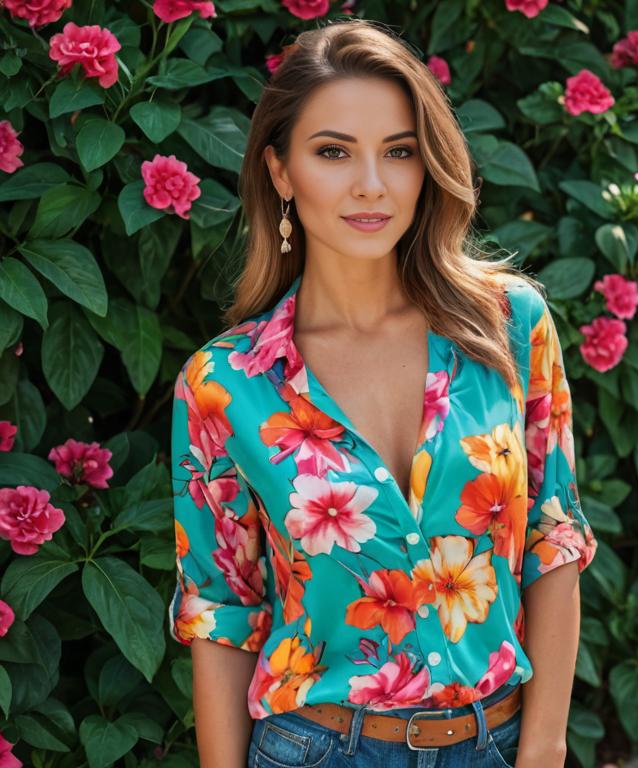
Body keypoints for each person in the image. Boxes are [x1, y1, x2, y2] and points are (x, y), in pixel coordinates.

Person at [166, 17, 598, 768]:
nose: (372, 184)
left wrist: (544, 751)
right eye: (333, 152)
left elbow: (552, 544)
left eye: (399, 152)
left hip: (497, 741)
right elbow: (222, 613)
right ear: (280, 172)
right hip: (317, 746)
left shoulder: (508, 324)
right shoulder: (226, 384)